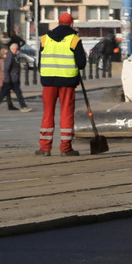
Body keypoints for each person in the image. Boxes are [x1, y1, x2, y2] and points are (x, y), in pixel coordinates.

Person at [37, 13, 87, 157]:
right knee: (66, 113)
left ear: (58, 23)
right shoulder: (74, 40)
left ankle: (45, 148)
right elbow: (82, 64)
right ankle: (65, 148)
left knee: (48, 113)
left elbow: (40, 62)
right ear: (71, 24)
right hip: (67, 82)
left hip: (48, 82)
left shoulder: (45, 39)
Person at [1, 42, 29, 112]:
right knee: (5, 94)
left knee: (5, 93)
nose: (17, 50)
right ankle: (23, 107)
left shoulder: (13, 55)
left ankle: (23, 106)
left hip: (13, 79)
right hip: (10, 80)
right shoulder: (9, 56)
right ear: (12, 49)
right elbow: (6, 68)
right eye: (16, 49)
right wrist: (7, 79)